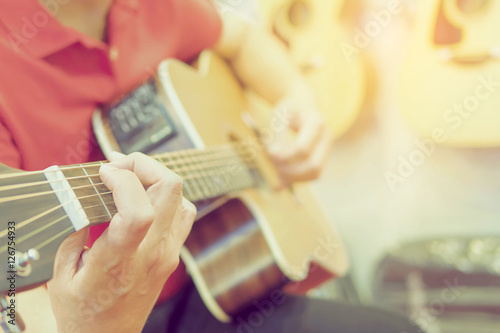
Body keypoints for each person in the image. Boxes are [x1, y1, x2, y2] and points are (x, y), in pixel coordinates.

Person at [0, 0, 421, 332]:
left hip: (206, 288)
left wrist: (299, 100)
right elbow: (17, 291)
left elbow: (241, 41)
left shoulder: (155, 7)